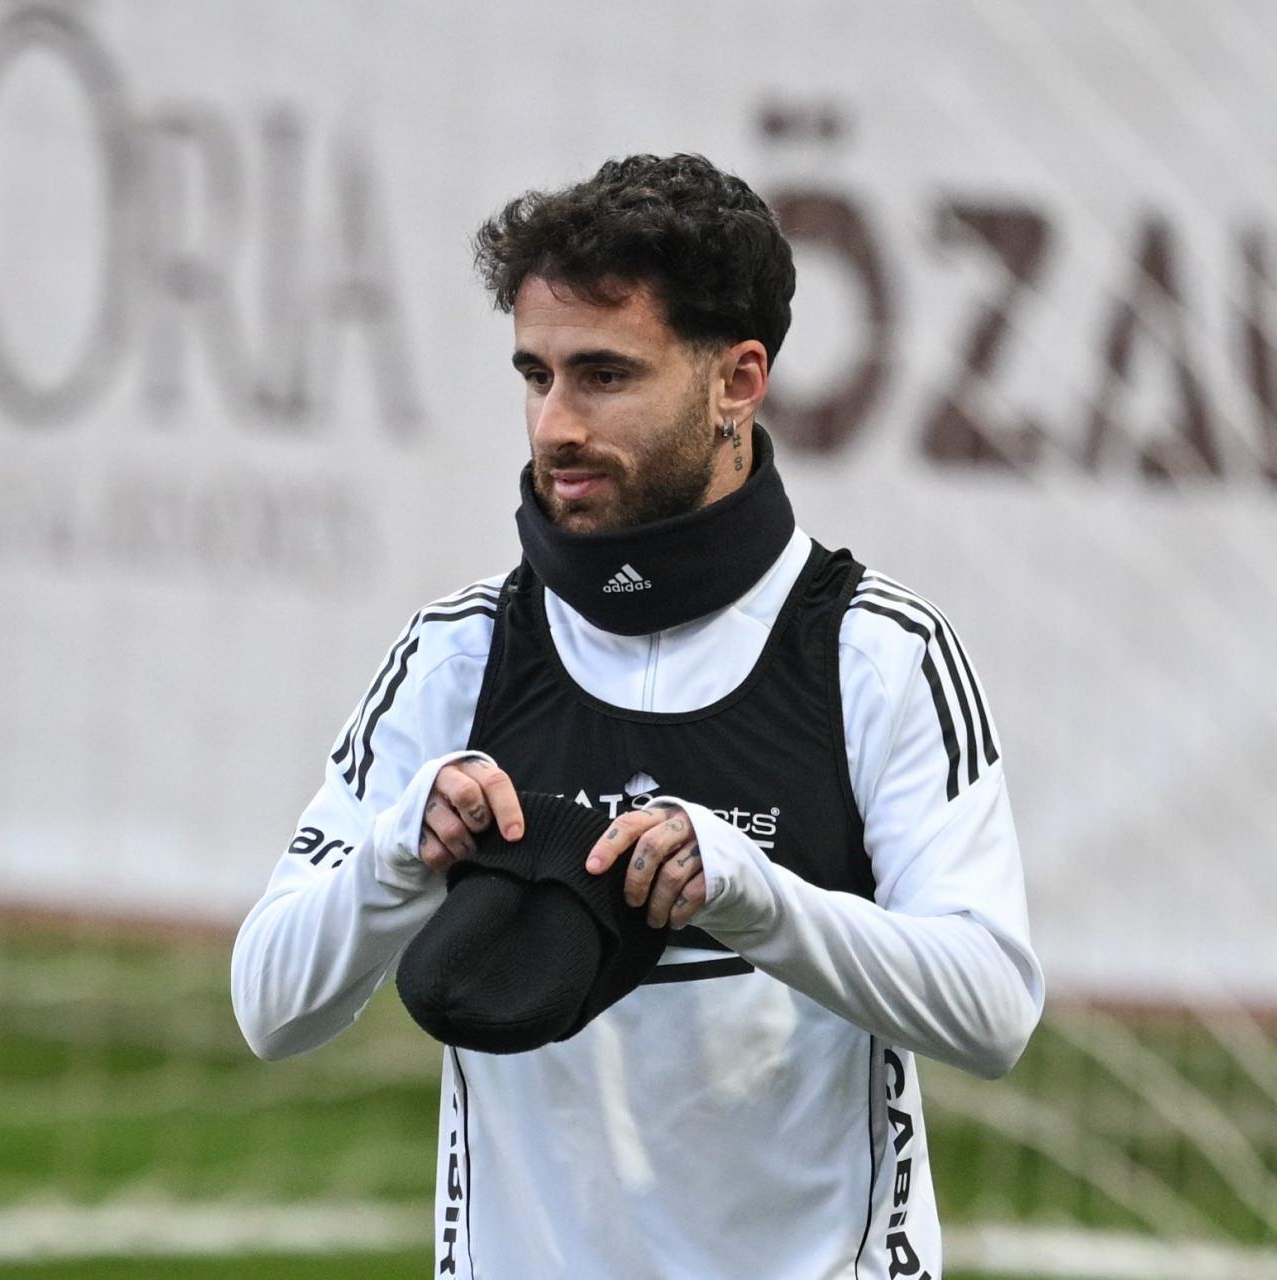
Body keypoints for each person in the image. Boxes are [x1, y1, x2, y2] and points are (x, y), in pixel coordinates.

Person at [232, 152, 1043, 1280]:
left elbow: (993, 1012)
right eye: (536, 374)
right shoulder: (457, 653)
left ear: (737, 381)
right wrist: (396, 853)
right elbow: (270, 1007)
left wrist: (752, 895)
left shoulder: (875, 653)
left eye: (604, 374)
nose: (554, 424)